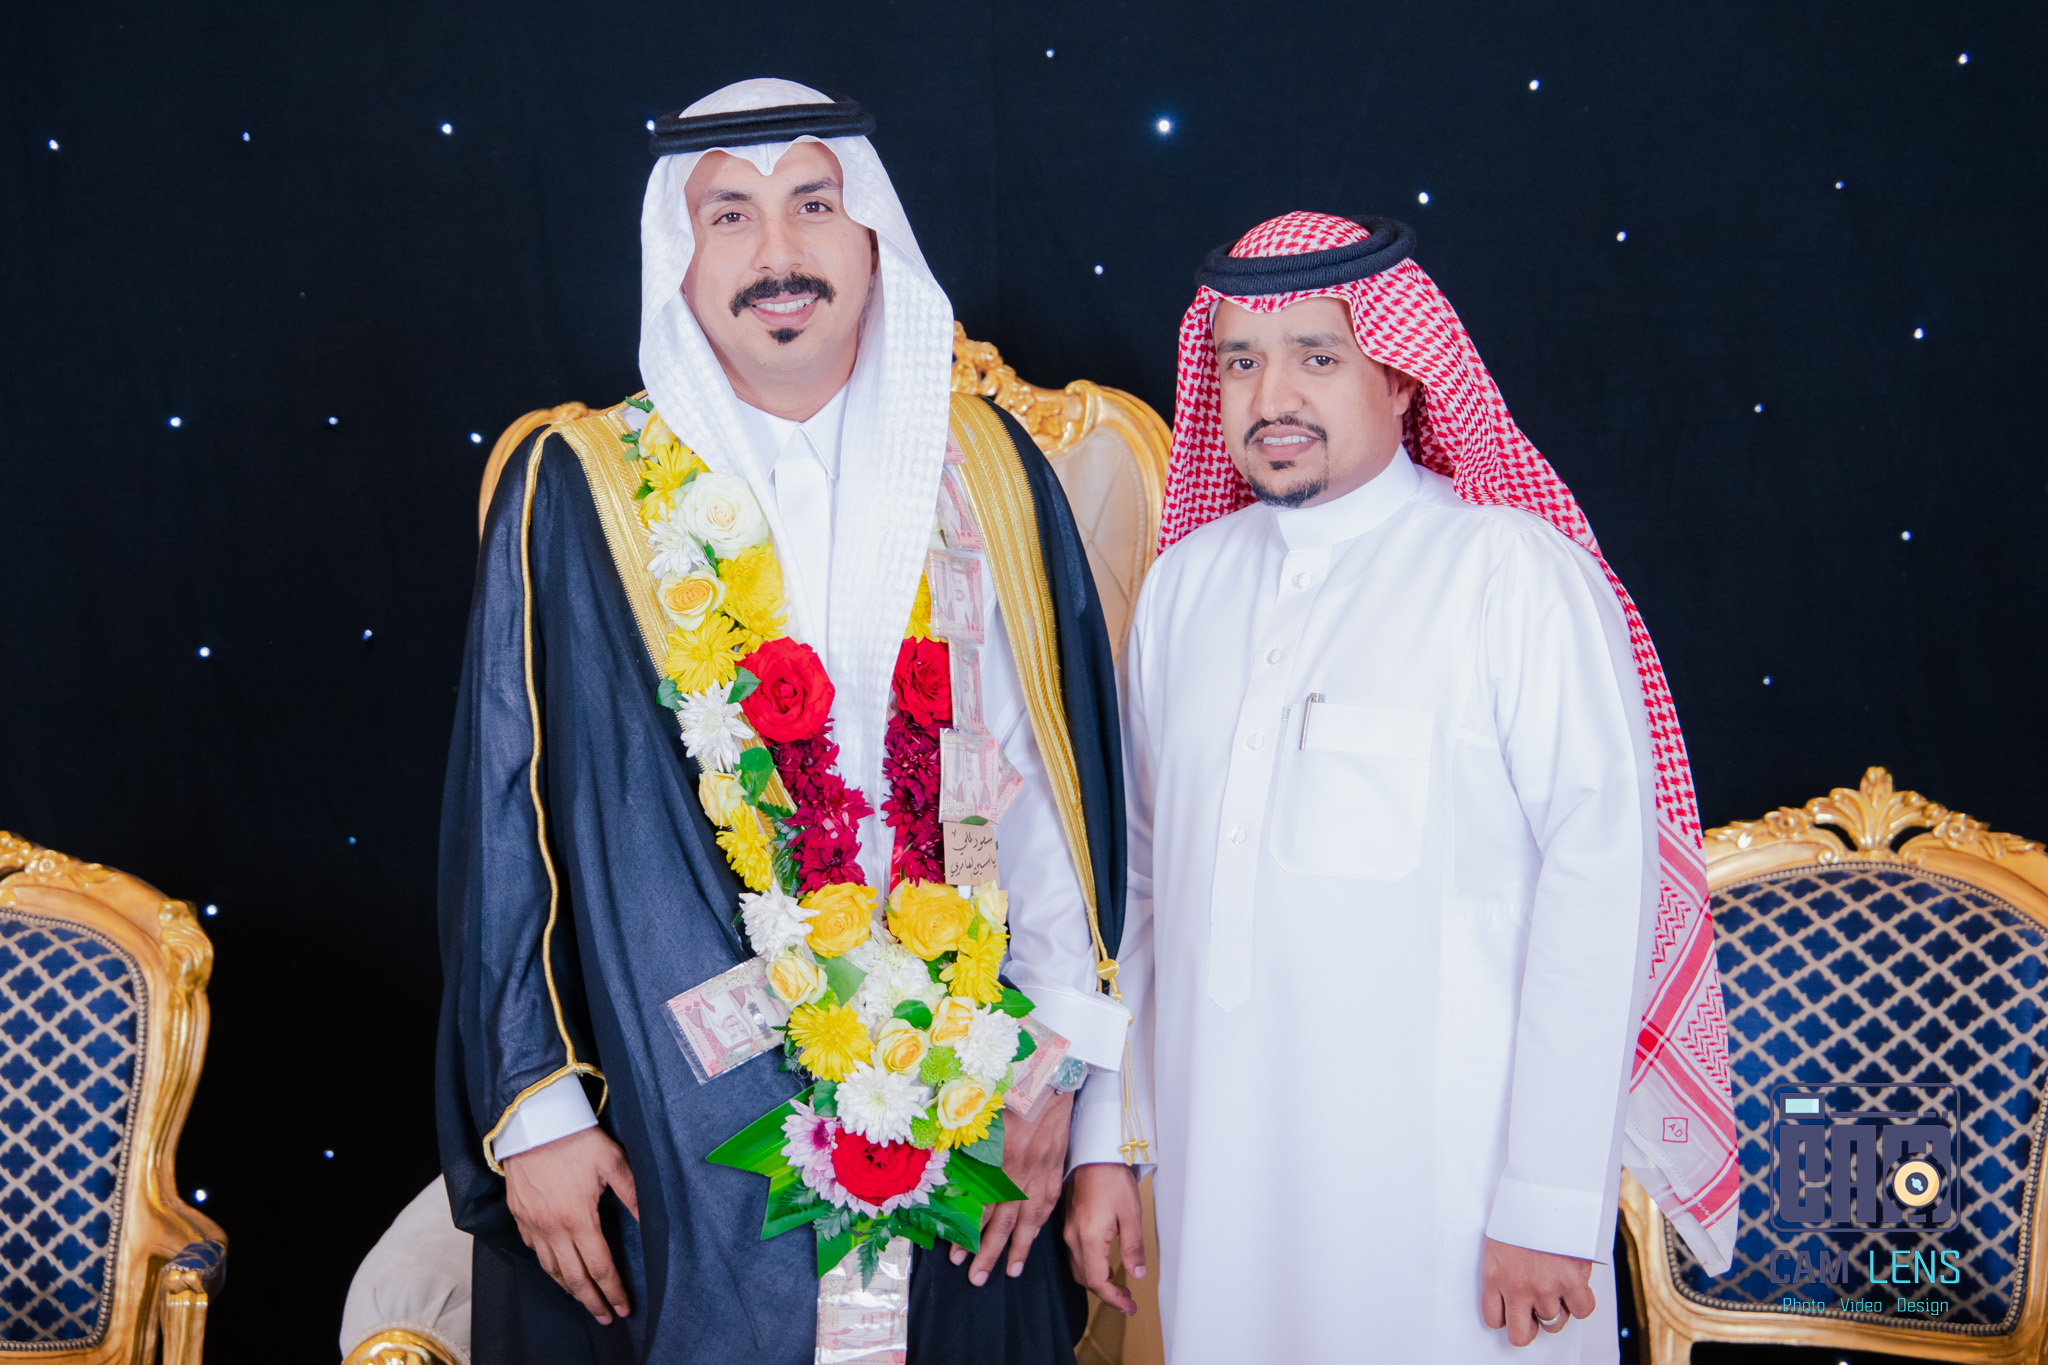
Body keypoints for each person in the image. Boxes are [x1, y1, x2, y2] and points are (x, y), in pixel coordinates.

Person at [436, 79, 1130, 1364]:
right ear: (678, 255)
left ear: (870, 237)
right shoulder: (582, 488)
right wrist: (536, 1111)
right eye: (729, 216)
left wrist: (1059, 1082)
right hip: (669, 1116)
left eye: (813, 205)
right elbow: (504, 811)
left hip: (971, 1097)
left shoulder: (984, 469)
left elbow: (1051, 796)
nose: (777, 255)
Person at [1064, 212, 1735, 1362]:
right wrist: (1102, 1145)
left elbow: (1599, 887)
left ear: (1401, 374)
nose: (1271, 395)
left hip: (1460, 1214)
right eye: (1240, 361)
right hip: (1224, 1191)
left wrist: (1545, 1201)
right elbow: (1137, 896)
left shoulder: (1509, 574)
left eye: (1316, 357)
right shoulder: (1183, 590)